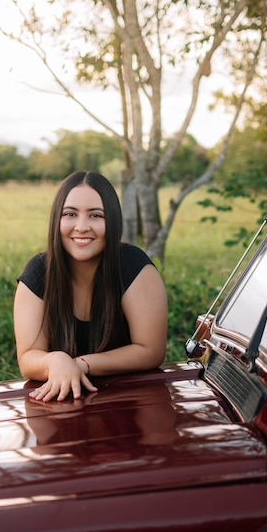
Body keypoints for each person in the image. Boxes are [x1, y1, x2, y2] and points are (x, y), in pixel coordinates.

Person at [14, 171, 168, 402]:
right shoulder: (39, 272)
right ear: (57, 219)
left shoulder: (134, 266)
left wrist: (80, 364)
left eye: (95, 215)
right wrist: (54, 361)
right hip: (62, 404)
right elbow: (28, 358)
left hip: (130, 402)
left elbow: (150, 350)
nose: (82, 226)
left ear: (113, 221)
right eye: (70, 214)